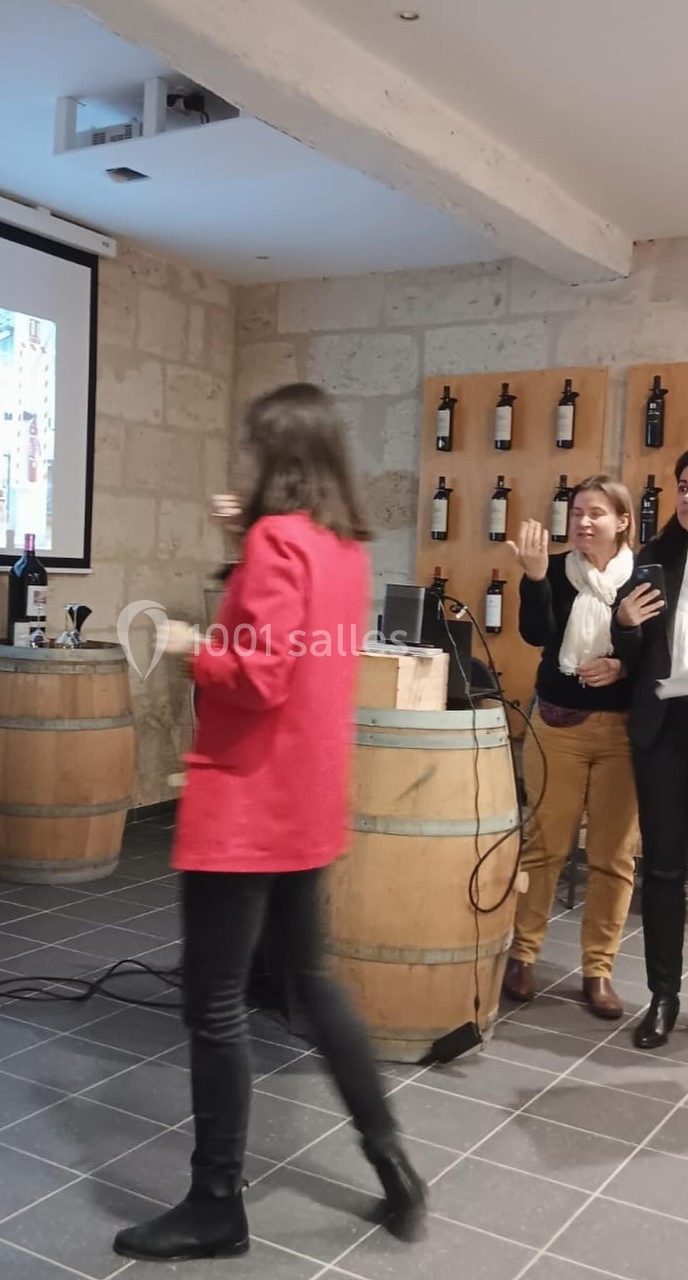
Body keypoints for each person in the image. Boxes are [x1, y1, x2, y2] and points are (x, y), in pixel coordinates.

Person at [112, 383, 426, 1263]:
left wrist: (186, 644)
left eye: (253, 450)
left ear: (277, 455)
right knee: (314, 985)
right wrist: (239, 547)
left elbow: (258, 674)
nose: (243, 463)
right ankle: (392, 1162)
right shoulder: (345, 547)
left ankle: (216, 1204)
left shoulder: (276, 540)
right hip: (307, 800)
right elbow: (295, 636)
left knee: (213, 1006)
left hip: (245, 802)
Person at [502, 477, 639, 1018]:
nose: (583, 522)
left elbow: (659, 650)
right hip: (558, 723)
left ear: (622, 522)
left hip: (626, 732)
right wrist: (534, 578)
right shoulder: (556, 570)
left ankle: (599, 970)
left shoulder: (644, 578)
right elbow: (538, 635)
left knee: (613, 856)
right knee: (545, 845)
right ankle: (523, 954)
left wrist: (623, 664)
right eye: (577, 512)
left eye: (597, 514)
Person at [611, 453, 686, 1049]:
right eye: (685, 488)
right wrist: (626, 625)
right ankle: (663, 996)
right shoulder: (652, 558)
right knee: (662, 869)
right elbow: (631, 657)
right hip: (663, 727)